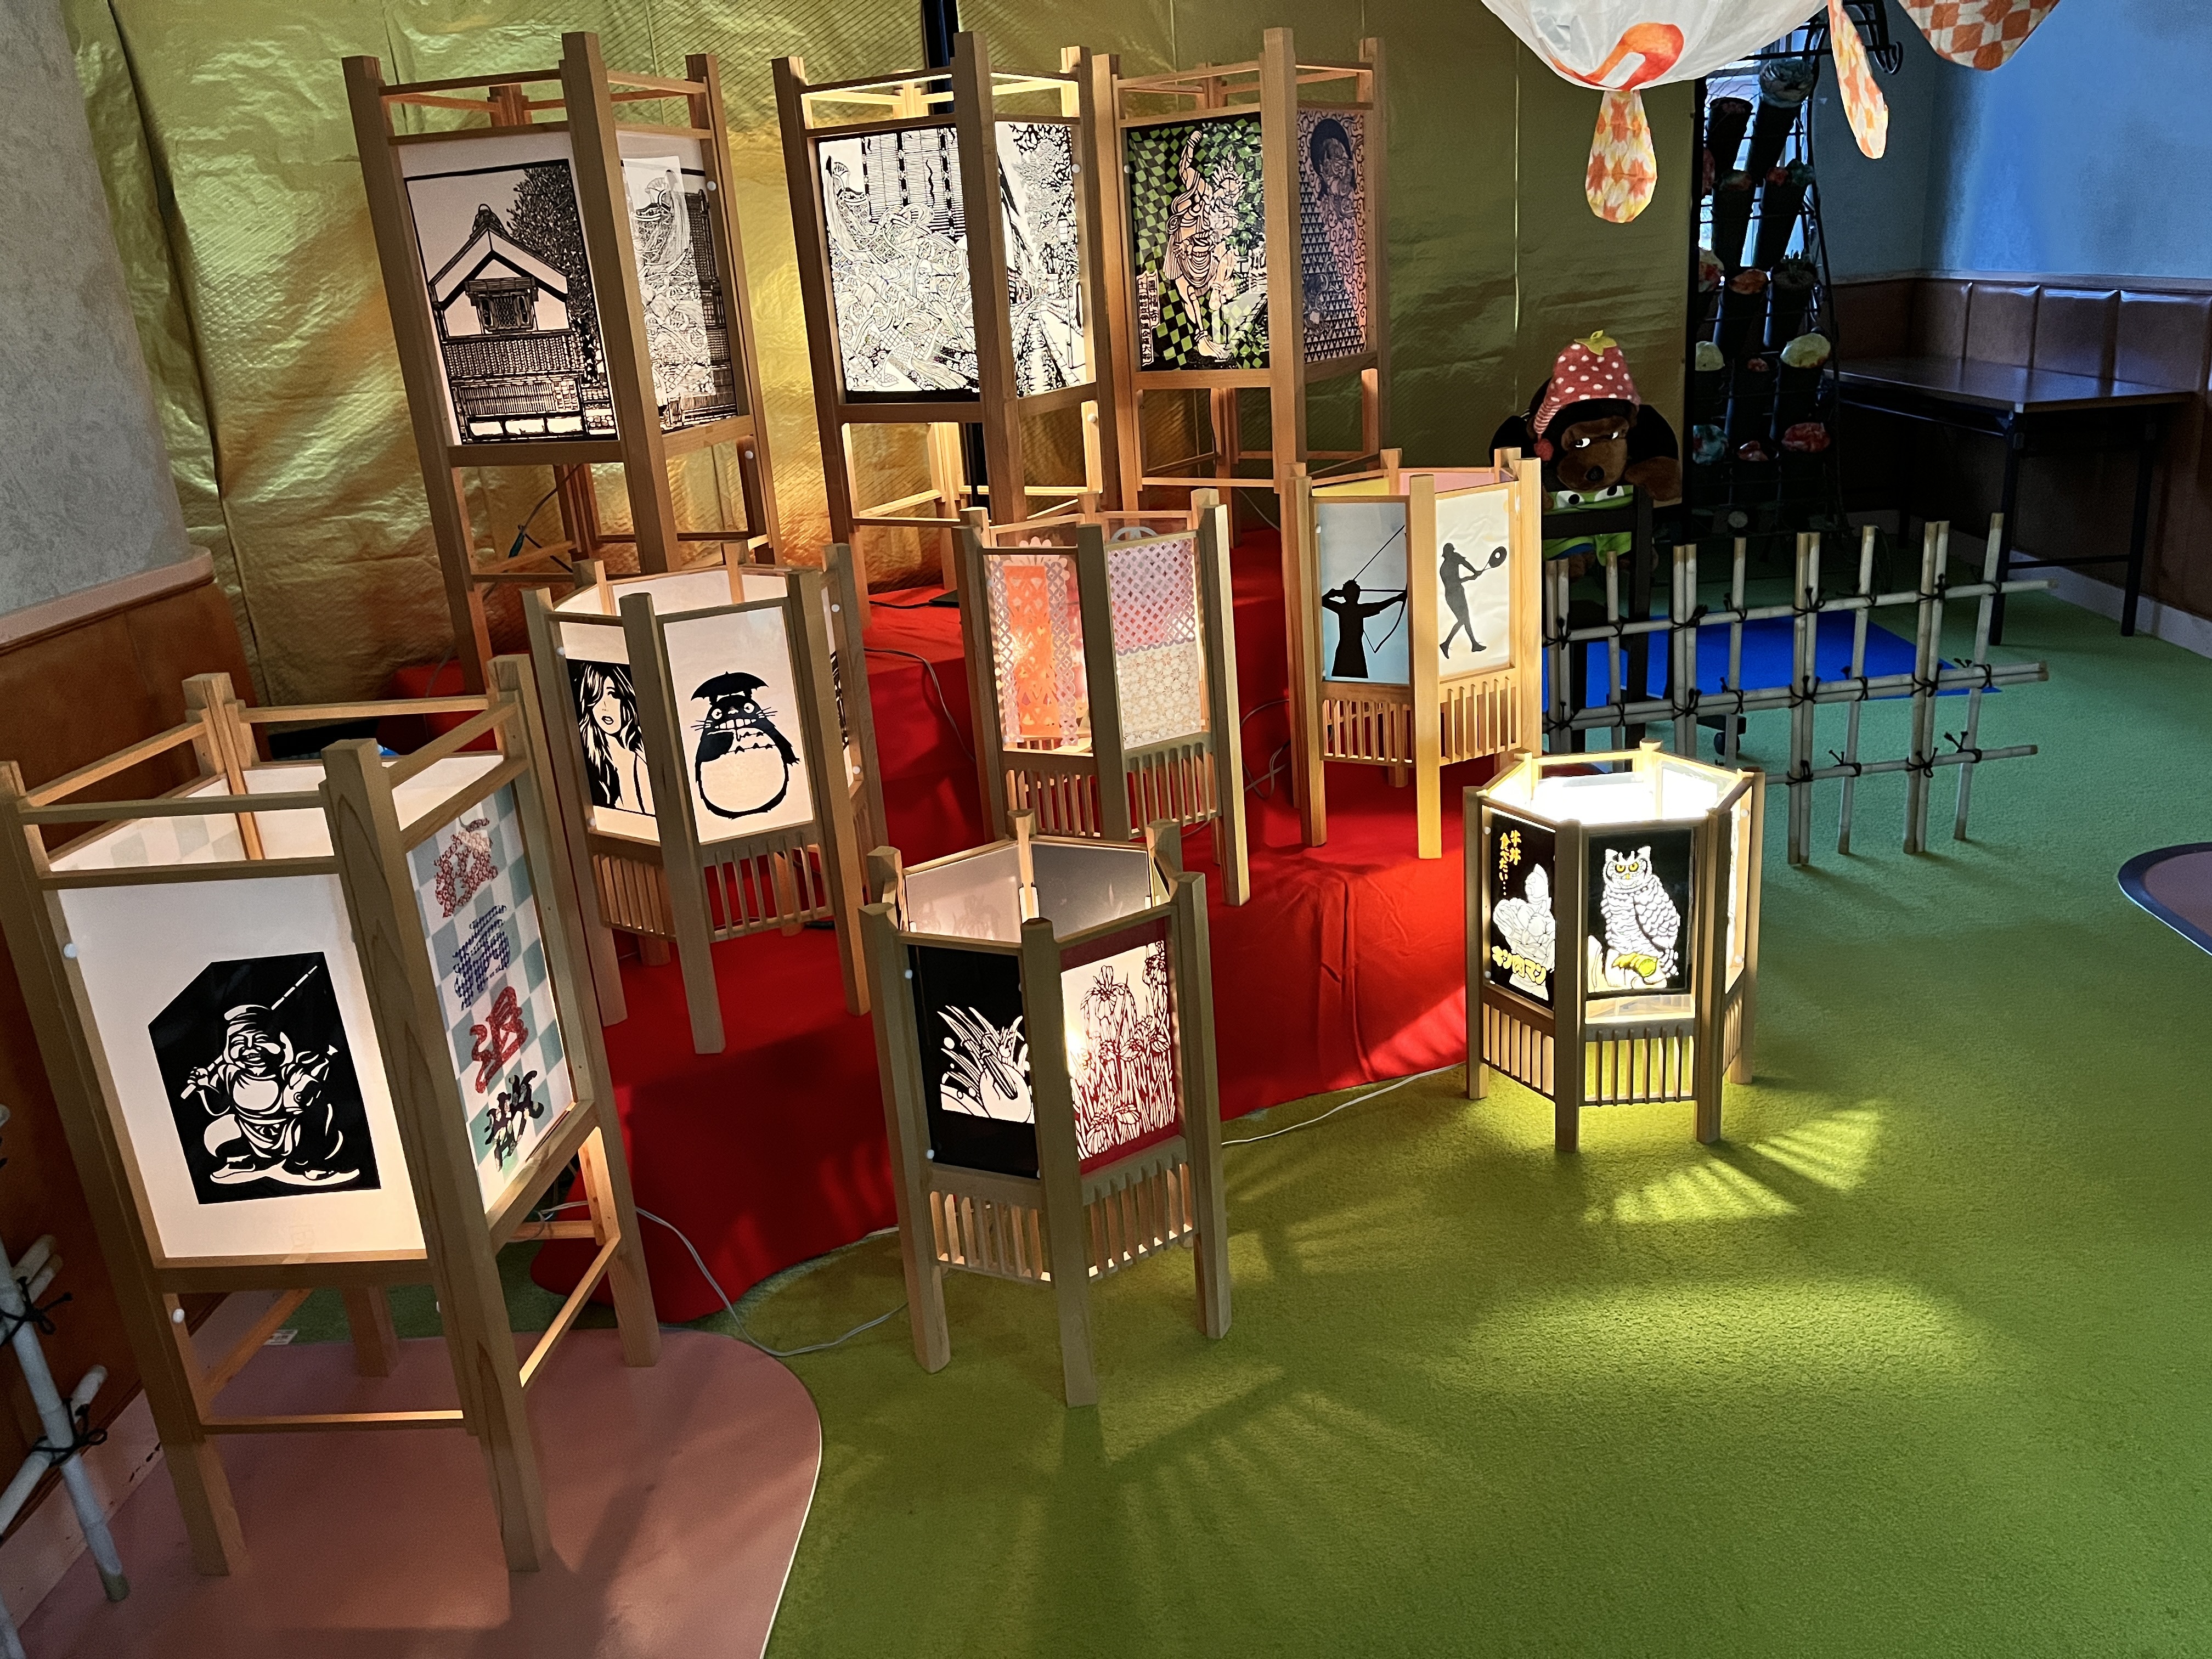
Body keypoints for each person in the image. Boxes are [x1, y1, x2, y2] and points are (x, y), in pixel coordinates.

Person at [183, 1000, 358, 1188]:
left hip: (286, 1134)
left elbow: (305, 1082)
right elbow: (218, 1108)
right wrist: (204, 1086)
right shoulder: (229, 1073)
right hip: (249, 1133)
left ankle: (306, 1164)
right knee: (215, 1134)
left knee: (319, 1113)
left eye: (259, 1040)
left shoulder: (284, 1071)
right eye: (239, 1042)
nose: (250, 1048)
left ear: (279, 1044)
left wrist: (308, 1082)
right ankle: (243, 1162)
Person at [575, 663, 653, 814]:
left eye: (612, 694)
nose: (604, 706)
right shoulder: (589, 755)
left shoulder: (642, 752)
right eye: (596, 697)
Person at [1321, 577, 1406, 680]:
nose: (1357, 594)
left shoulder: (1345, 608)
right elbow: (1379, 606)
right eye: (1355, 592)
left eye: (1357, 592)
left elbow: (1378, 606)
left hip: (1350, 650)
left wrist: (1333, 594)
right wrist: (1397, 599)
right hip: (1351, 651)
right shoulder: (1354, 609)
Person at [1439, 540, 1509, 660]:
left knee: (1466, 619)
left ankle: (1474, 644)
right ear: (1448, 552)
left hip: (1455, 594)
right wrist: (1471, 577)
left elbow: (1465, 564)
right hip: (1454, 595)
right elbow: (1453, 583)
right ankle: (1447, 643)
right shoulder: (1445, 567)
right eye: (1452, 551)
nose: (1454, 553)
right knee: (1463, 620)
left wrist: (1475, 572)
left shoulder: (1451, 561)